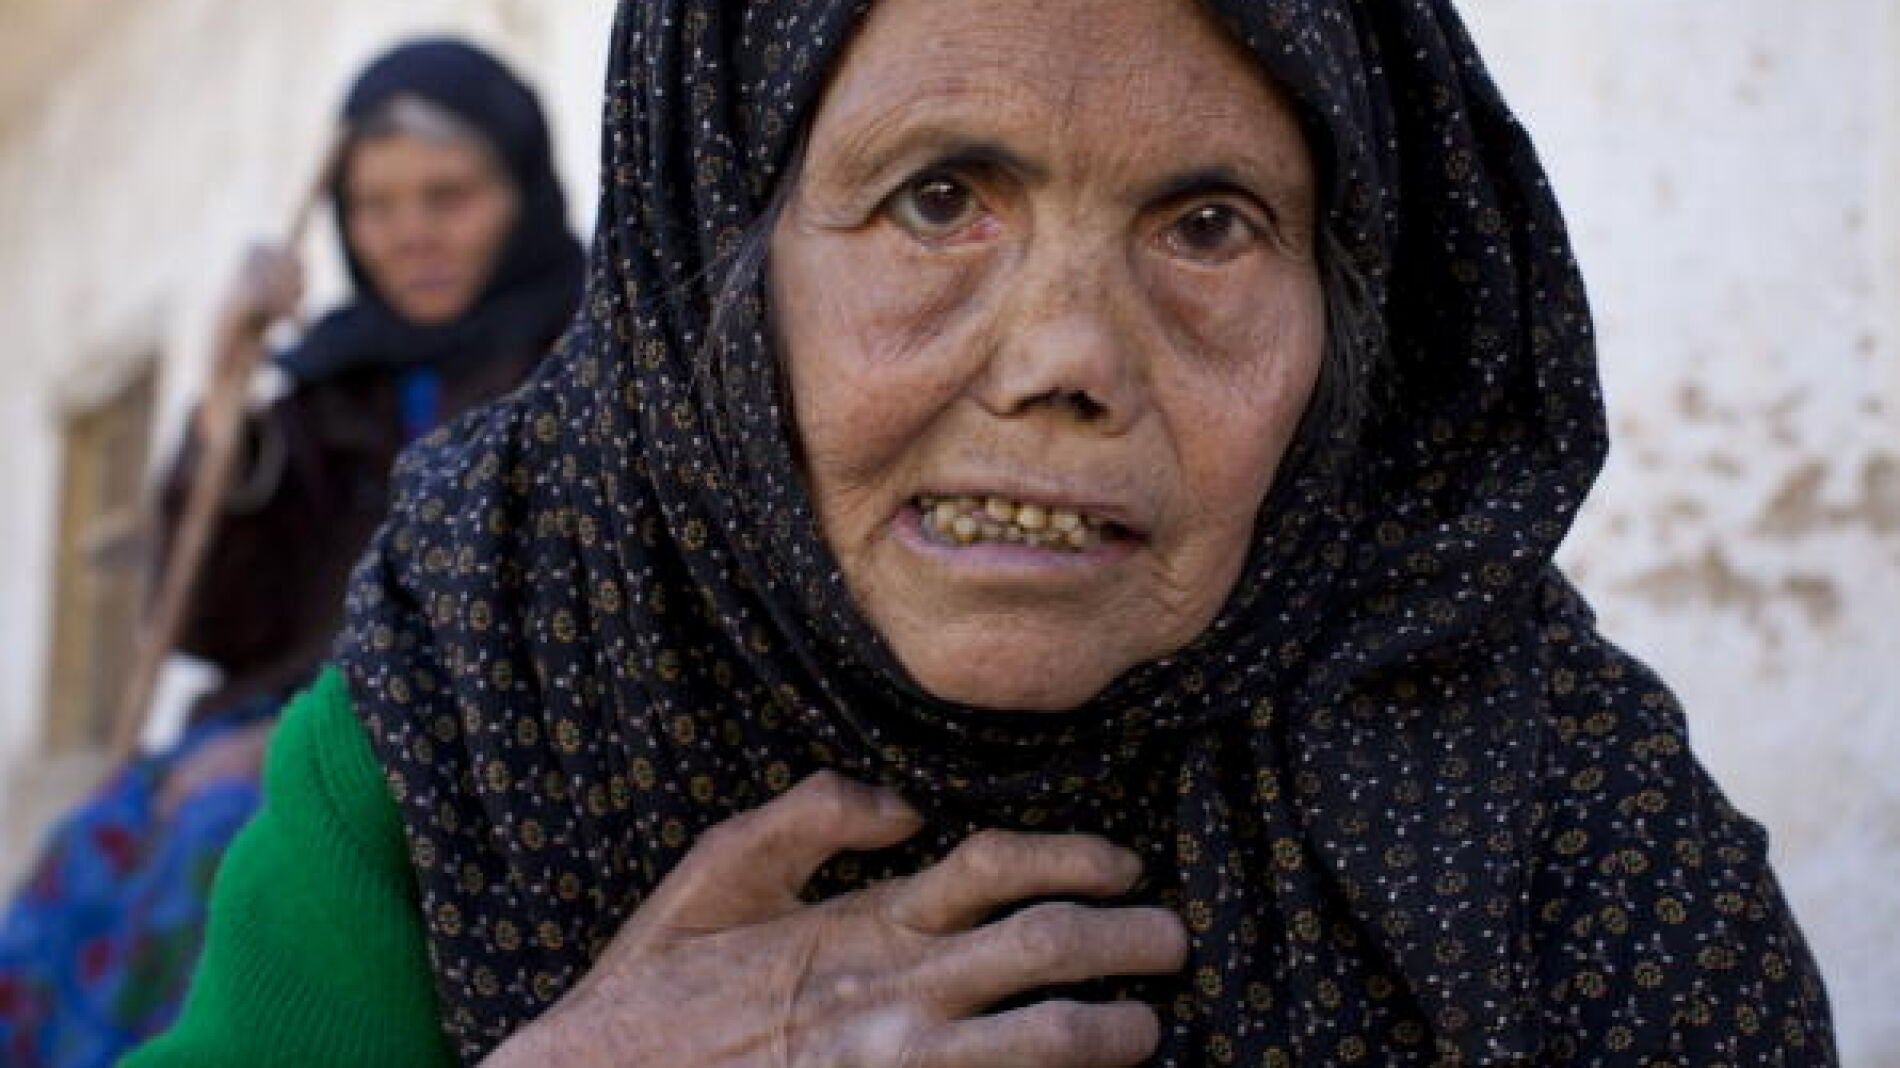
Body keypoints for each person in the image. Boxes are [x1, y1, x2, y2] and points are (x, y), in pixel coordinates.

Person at [129, 0, 1837, 1064]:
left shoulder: (1553, 796)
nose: (1068, 360)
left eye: (1211, 222)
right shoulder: (479, 700)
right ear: (728, 259)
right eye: (940, 197)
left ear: (1353, 316)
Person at [0, 38, 582, 1068]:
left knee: (227, 845)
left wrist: (310, 736)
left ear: (520, 190)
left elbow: (551, 612)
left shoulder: (577, 366)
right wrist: (228, 392)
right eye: (377, 205)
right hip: (264, 728)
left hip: (470, 742)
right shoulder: (330, 383)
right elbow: (211, 624)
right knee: (86, 851)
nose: (411, 235)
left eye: (449, 196)